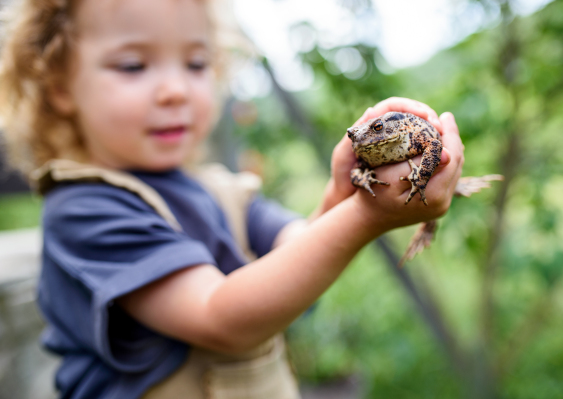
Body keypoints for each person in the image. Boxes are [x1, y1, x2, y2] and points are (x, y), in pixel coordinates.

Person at [0, 0, 465, 398]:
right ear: (59, 86)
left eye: (197, 63)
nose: (175, 90)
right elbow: (220, 316)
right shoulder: (85, 209)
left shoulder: (223, 191)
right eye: (133, 65)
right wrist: (365, 217)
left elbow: (296, 261)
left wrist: (342, 196)